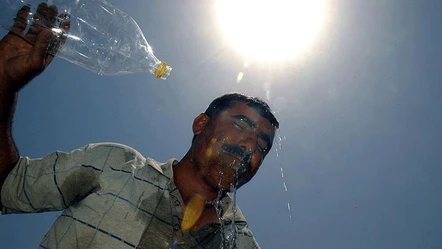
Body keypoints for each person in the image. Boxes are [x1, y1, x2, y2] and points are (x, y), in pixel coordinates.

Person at [0, 4, 279, 249]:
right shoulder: (112, 166)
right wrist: (2, 80)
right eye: (242, 124)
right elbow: (7, 186)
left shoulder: (240, 244)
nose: (250, 145)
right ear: (201, 123)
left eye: (263, 145)